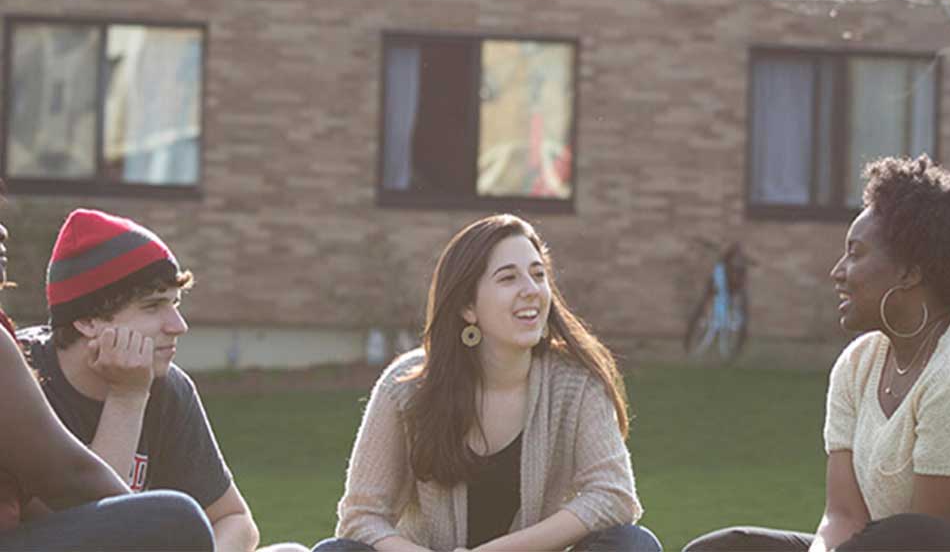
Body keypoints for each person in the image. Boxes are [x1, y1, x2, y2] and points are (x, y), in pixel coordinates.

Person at [684, 155, 950, 552]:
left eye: (856, 253)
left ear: (910, 272)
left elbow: (928, 539)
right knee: (726, 549)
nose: (838, 271)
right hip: (890, 542)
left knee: (901, 535)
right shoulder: (858, 364)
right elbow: (844, 516)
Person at [313, 214, 661, 552]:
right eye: (508, 278)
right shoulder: (405, 387)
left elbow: (614, 495)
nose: (531, 290)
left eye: (538, 275)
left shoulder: (577, 382)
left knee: (633, 544)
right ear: (468, 307)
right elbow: (361, 518)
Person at [18, 208, 259, 552]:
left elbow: (235, 520)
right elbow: (90, 534)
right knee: (177, 515)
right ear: (87, 320)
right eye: (152, 306)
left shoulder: (168, 387)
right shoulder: (22, 378)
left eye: (175, 304)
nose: (178, 325)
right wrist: (127, 398)